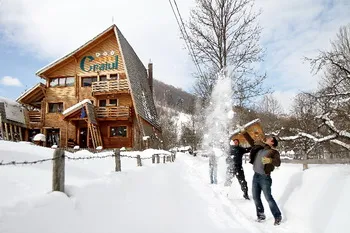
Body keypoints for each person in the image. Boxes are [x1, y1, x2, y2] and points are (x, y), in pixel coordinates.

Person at [249, 136, 282, 225]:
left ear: (272, 142)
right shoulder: (260, 149)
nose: (267, 138)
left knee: (268, 198)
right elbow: (252, 142)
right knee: (256, 197)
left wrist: (270, 160)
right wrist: (244, 132)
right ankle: (261, 215)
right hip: (256, 176)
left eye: (269, 138)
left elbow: (278, 163)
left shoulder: (274, 152)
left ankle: (277, 216)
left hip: (265, 177)